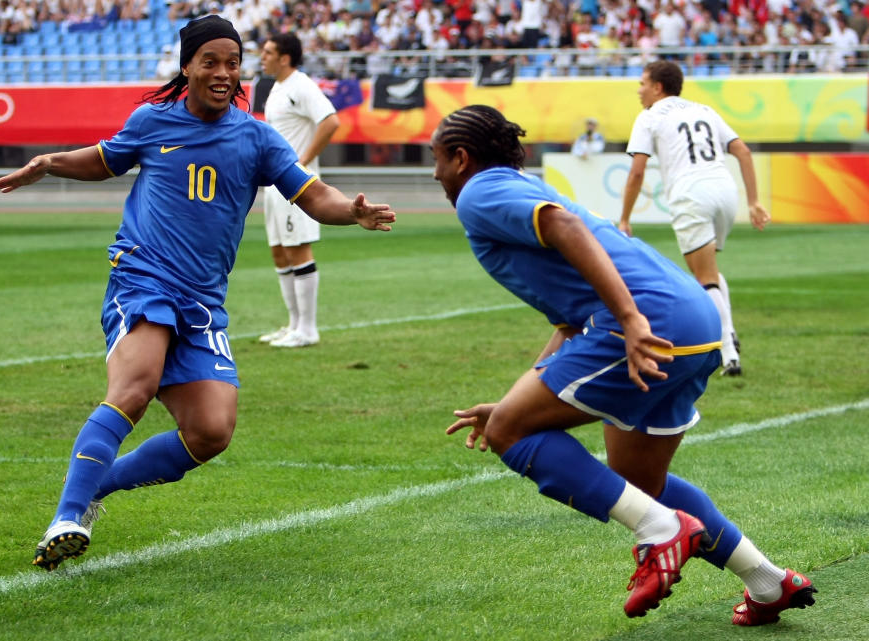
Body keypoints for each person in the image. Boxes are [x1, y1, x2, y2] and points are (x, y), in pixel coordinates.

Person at [0, 15, 395, 572]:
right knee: (134, 388)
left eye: (233, 62)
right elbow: (106, 159)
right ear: (187, 67)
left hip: (202, 301)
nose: (224, 72)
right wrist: (50, 162)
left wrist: (350, 211)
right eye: (211, 61)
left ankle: (92, 490)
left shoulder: (254, 136)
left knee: (210, 431)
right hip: (143, 279)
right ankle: (65, 516)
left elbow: (312, 193)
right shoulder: (152, 121)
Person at [432, 105, 814, 625]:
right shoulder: (521, 191)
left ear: (460, 157)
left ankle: (660, 532)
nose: (435, 174)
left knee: (511, 434)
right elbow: (568, 323)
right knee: (639, 480)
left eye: (436, 159)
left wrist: (631, 320)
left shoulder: (480, 191)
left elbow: (565, 227)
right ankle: (768, 581)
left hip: (648, 322)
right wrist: (517, 398)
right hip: (696, 321)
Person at [620, 60, 770, 377]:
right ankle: (728, 334)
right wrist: (754, 201)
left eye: (643, 83)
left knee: (705, 277)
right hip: (725, 192)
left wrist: (624, 218)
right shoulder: (704, 110)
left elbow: (636, 172)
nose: (639, 90)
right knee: (709, 268)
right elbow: (742, 151)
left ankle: (727, 349)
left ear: (658, 87)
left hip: (691, 196)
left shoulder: (648, 118)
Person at [256, 33, 341, 348]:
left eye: (268, 52)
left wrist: (302, 162)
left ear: (285, 57)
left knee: (297, 248)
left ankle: (308, 328)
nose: (262, 56)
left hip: (295, 183)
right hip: (275, 183)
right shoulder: (278, 87)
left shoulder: (302, 85)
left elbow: (330, 121)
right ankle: (293, 324)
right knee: (280, 251)